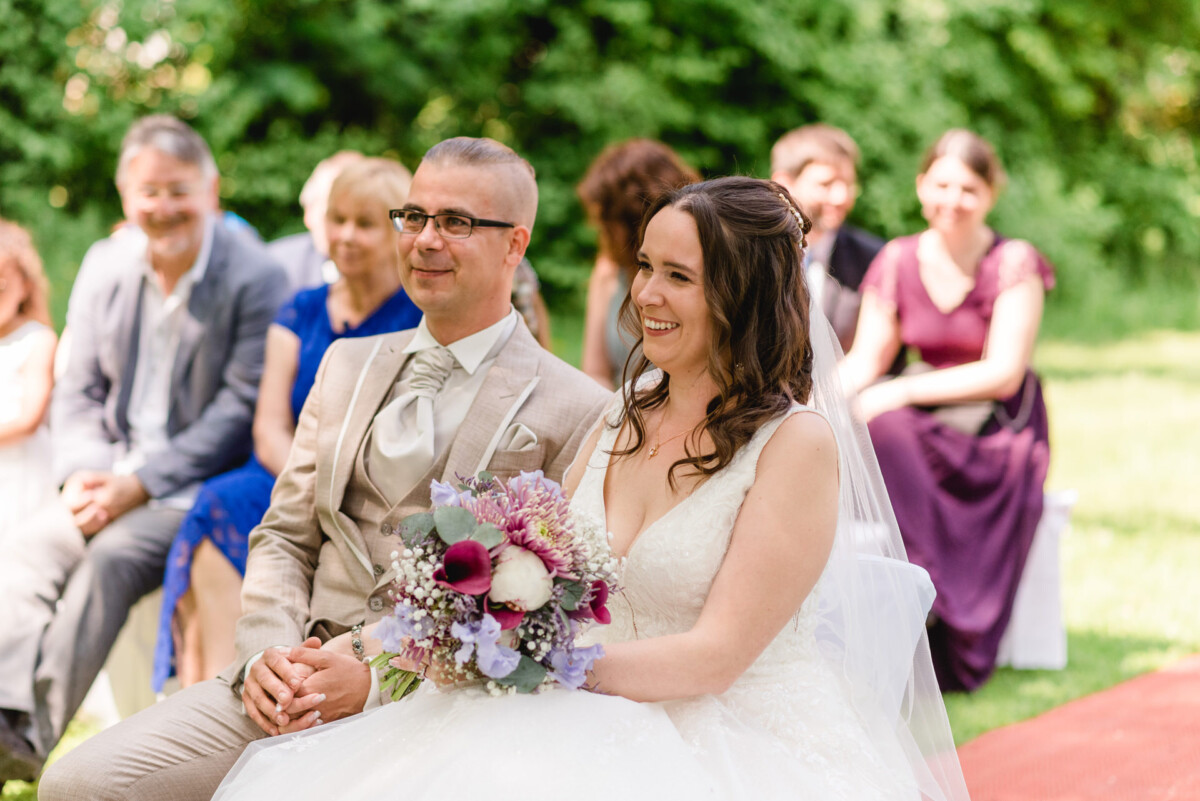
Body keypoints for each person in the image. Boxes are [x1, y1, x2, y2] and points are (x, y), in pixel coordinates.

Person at [205, 177, 970, 801]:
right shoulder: (623, 413)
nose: (646, 295)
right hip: (579, 701)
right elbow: (512, 573)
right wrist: (378, 650)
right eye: (645, 266)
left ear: (742, 296)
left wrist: (519, 660)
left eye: (679, 276)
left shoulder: (795, 443)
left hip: (724, 735)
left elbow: (715, 657)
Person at [38, 136, 611, 801]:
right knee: (77, 783)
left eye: (456, 222)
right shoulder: (345, 365)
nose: (425, 239)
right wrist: (267, 656)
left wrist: (377, 675)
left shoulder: (578, 407)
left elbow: (545, 611)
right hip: (288, 676)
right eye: (414, 216)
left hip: (437, 705)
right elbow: (284, 534)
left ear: (515, 244)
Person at [0, 115, 288, 788]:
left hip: (195, 489)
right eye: (148, 192)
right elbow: (78, 389)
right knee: (24, 550)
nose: (163, 207)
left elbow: (237, 410)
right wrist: (83, 473)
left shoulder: (255, 275)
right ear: (127, 196)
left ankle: (29, 739)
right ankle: (7, 714)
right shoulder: (106, 265)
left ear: (211, 191)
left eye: (178, 190)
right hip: (105, 477)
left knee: (110, 559)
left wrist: (141, 483)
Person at [152, 157, 423, 692]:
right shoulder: (300, 310)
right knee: (220, 500)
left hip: (370, 489)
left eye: (365, 224)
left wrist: (337, 491)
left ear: (398, 232)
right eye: (338, 220)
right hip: (285, 474)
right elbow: (269, 427)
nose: (346, 236)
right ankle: (217, 684)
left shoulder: (417, 319)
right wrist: (310, 485)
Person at [839, 129, 1055, 692]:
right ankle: (923, 590)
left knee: (889, 417)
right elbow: (866, 360)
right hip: (927, 424)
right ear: (920, 186)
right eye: (941, 185)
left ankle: (952, 620)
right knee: (883, 430)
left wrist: (900, 392)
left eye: (968, 189)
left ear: (990, 194)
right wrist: (804, 403)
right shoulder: (897, 258)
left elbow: (1004, 371)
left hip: (997, 429)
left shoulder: (1012, 261)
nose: (952, 200)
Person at [577, 139, 700, 388]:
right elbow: (595, 373)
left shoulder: (698, 266)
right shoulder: (608, 273)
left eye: (607, 223)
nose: (601, 233)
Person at [770, 123, 885, 353]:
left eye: (848, 184)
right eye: (826, 184)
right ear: (784, 183)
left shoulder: (873, 257)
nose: (841, 197)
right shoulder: (750, 251)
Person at [0, 218, 57, 542]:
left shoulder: (37, 339)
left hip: (20, 475)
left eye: (1, 286)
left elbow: (29, 418)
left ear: (24, 284)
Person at [268, 150, 365, 291]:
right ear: (309, 213)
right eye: (337, 218)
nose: (348, 234)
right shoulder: (276, 264)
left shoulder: (395, 271)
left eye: (364, 222)